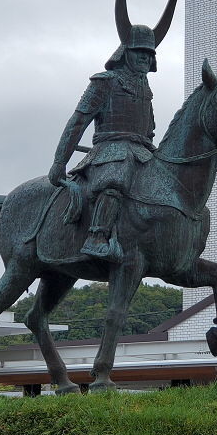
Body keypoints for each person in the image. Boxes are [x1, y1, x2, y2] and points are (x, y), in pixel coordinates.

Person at [48, 26, 158, 262]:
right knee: (115, 179)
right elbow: (78, 122)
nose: (145, 57)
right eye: (140, 51)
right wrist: (60, 161)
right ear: (124, 52)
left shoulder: (145, 88)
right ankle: (96, 237)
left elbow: (149, 129)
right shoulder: (105, 82)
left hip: (142, 150)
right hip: (109, 151)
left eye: (149, 53)